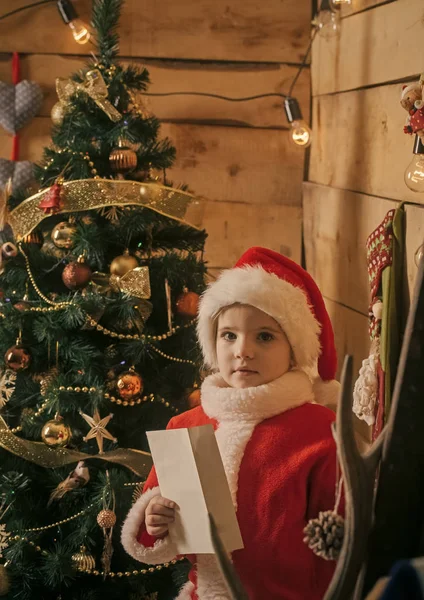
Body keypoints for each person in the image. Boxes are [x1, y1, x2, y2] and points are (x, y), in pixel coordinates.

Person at [121, 247, 343, 600]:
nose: (243, 350)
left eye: (265, 336)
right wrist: (153, 519)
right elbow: (158, 526)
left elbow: (340, 542)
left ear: (294, 351)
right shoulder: (186, 425)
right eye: (229, 335)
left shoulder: (319, 430)